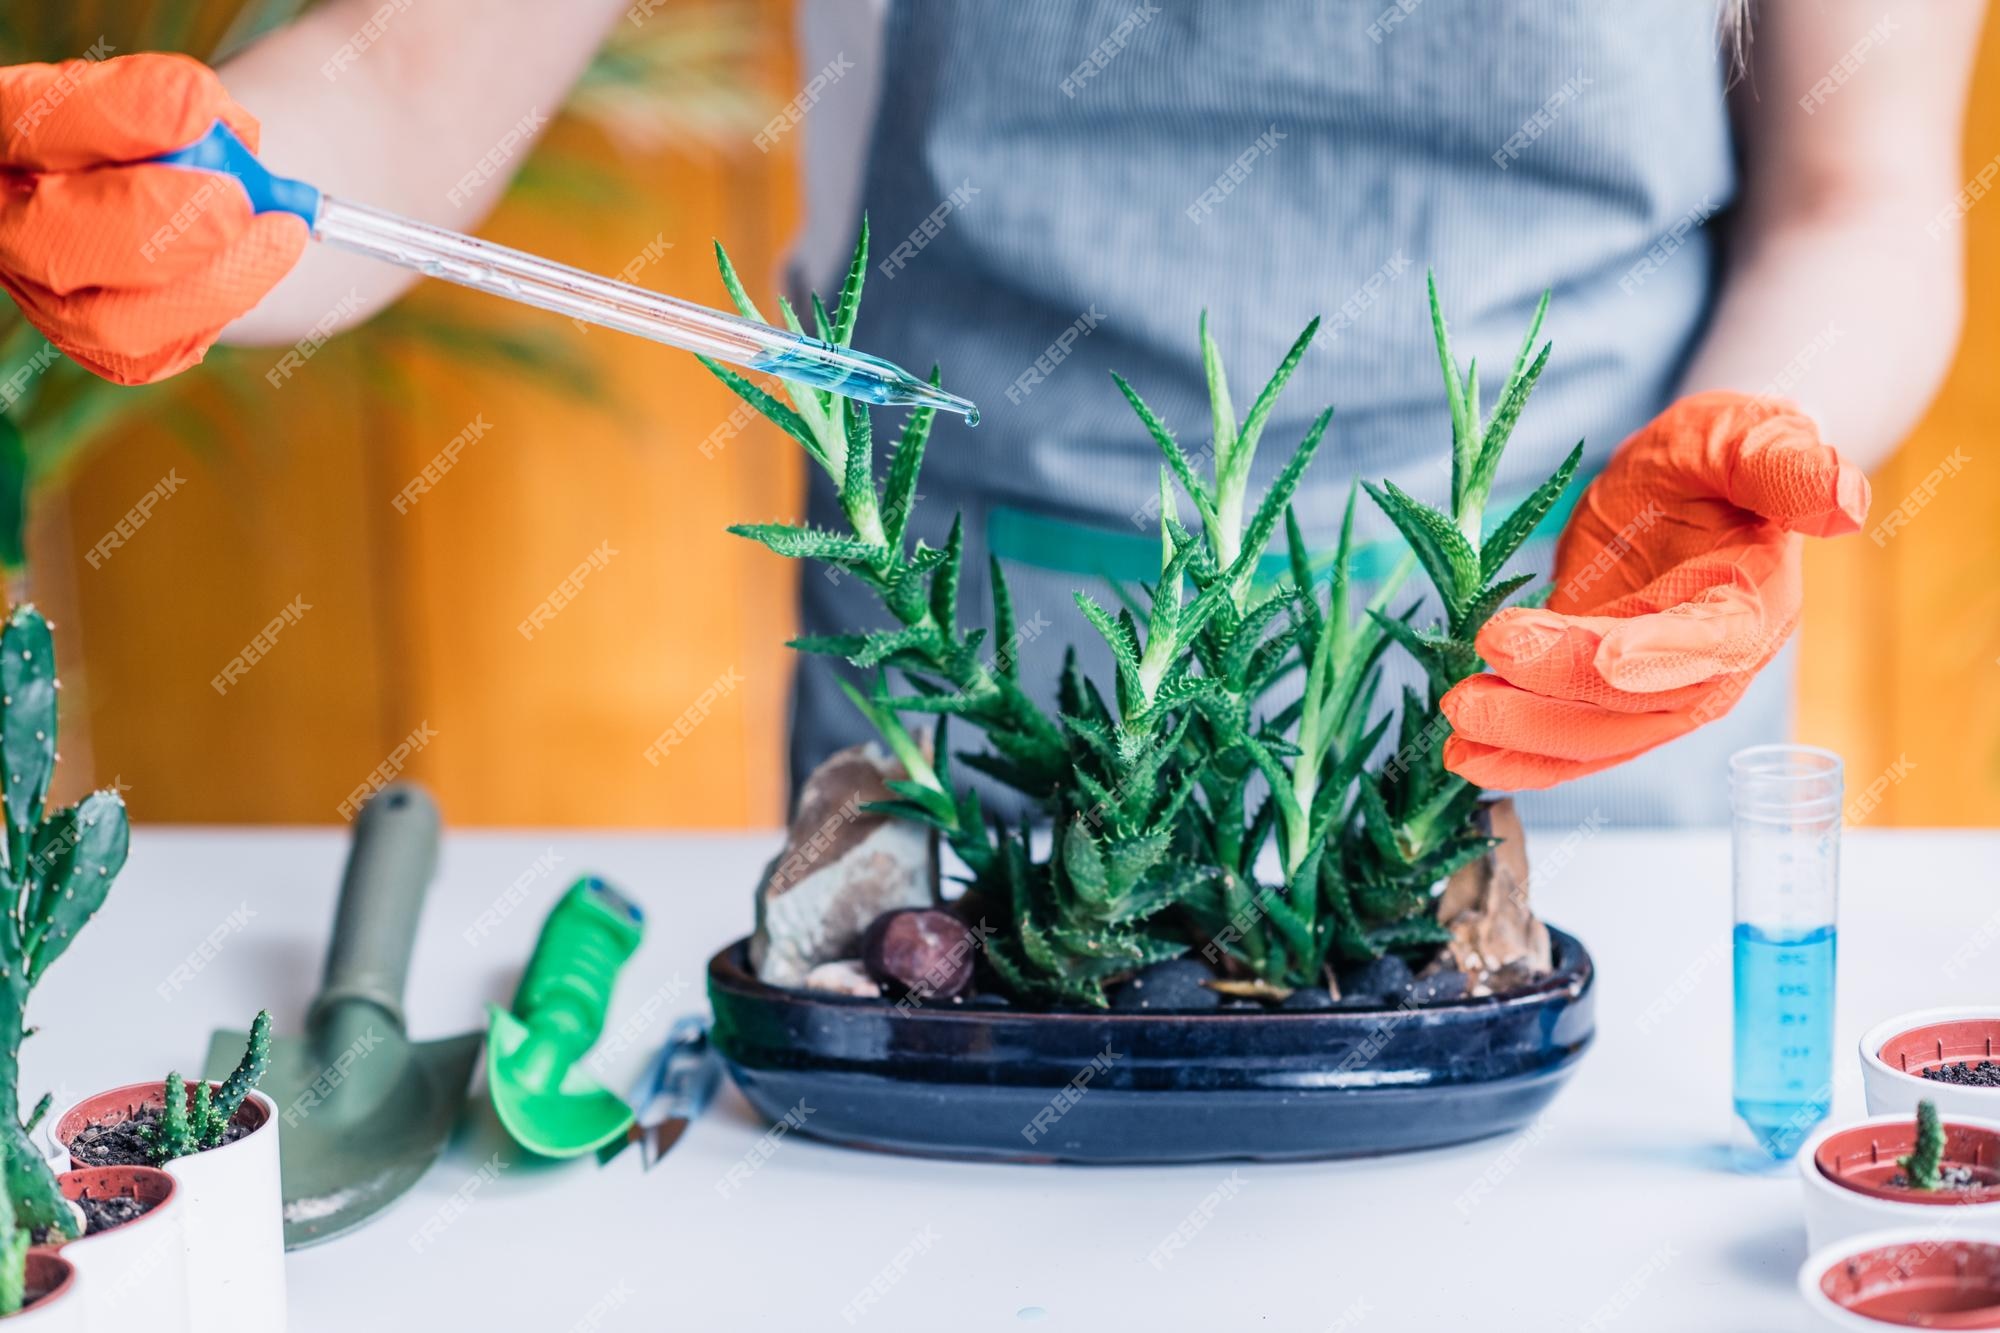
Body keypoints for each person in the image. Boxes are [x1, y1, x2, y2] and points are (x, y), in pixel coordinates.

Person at [0, 0, 1982, 824]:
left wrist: (1721, 485)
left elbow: (1860, 192)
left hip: (1568, 670)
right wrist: (234, 187)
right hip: (978, 685)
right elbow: (411, 77)